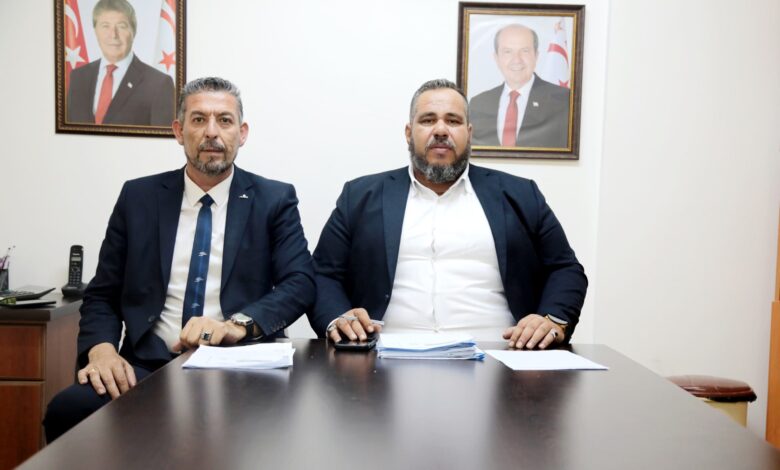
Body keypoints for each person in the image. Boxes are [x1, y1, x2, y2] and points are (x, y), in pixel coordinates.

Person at [44, 77, 315, 441]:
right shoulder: (138, 197)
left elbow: (300, 283)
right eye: (199, 119)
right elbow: (103, 294)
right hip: (146, 367)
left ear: (242, 133)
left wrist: (237, 325)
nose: (212, 132)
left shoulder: (274, 199)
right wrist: (102, 350)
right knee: (67, 410)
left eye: (224, 120)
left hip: (240, 364)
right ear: (178, 131)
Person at [310, 79, 586, 348]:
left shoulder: (520, 194)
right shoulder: (360, 196)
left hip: (499, 355)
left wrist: (551, 320)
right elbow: (322, 274)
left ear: (469, 132)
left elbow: (565, 269)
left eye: (453, 121)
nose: (441, 130)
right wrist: (337, 319)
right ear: (408, 132)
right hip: (384, 357)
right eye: (428, 120)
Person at [67, 0, 175, 126]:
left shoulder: (159, 84)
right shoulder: (78, 77)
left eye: (121, 26)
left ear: (133, 31)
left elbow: (162, 137)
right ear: (95, 31)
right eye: (105, 26)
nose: (113, 35)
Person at [469, 24, 570, 148]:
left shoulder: (563, 101)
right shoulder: (478, 103)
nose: (516, 60)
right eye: (508, 52)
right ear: (496, 58)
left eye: (525, 51)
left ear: (536, 56)